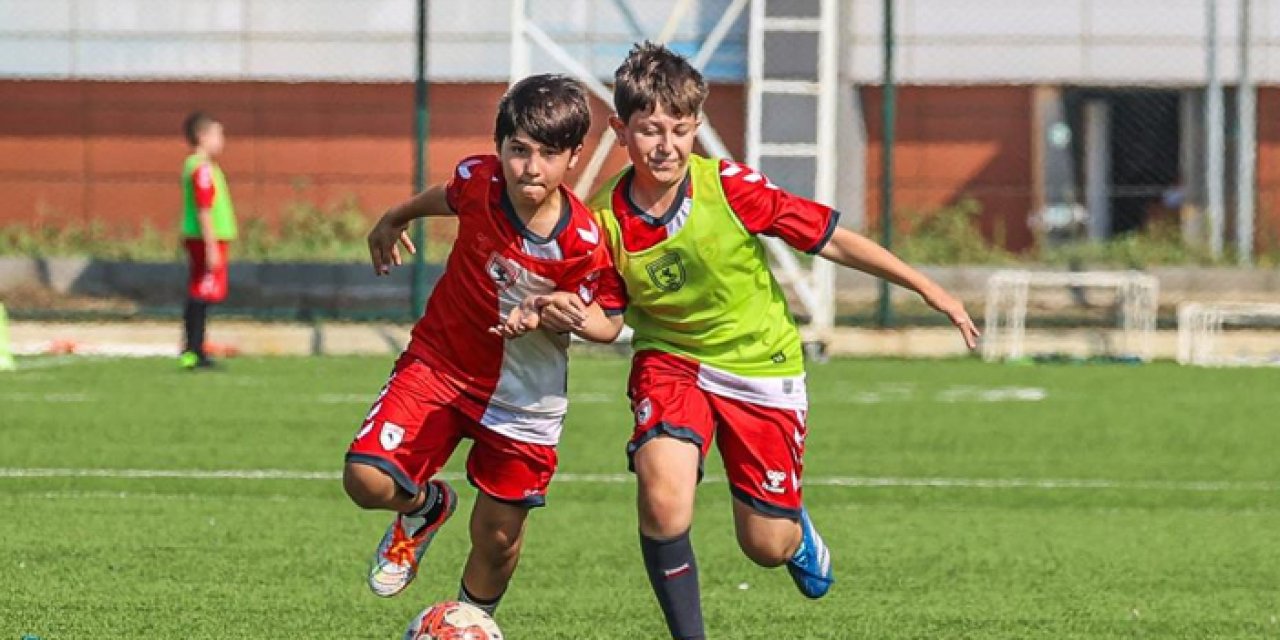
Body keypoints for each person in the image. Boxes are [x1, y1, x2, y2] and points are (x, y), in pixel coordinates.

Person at [528, 42, 980, 639]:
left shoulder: (728, 188)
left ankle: (795, 533)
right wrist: (564, 313)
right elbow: (610, 321)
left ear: (696, 127)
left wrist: (927, 287)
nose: (666, 145)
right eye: (651, 130)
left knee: (765, 545)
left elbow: (831, 238)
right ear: (621, 131)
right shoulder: (603, 218)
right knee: (663, 498)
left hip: (761, 365)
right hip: (671, 360)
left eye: (680, 130)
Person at [342, 73, 620, 620]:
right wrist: (398, 215)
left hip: (525, 399)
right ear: (500, 147)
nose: (530, 167)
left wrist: (558, 310)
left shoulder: (583, 242)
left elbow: (607, 321)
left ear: (573, 157)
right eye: (519, 150)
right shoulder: (480, 180)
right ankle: (426, 506)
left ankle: (468, 624)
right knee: (367, 479)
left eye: (548, 154)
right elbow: (447, 195)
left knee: (497, 540)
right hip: (440, 365)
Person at [179, 112, 237, 370]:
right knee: (202, 292)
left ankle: (194, 349)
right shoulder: (201, 168)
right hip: (206, 240)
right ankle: (194, 351)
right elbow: (204, 207)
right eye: (217, 135)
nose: (221, 140)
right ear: (202, 136)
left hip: (204, 239)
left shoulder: (203, 166)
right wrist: (211, 245)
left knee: (201, 291)